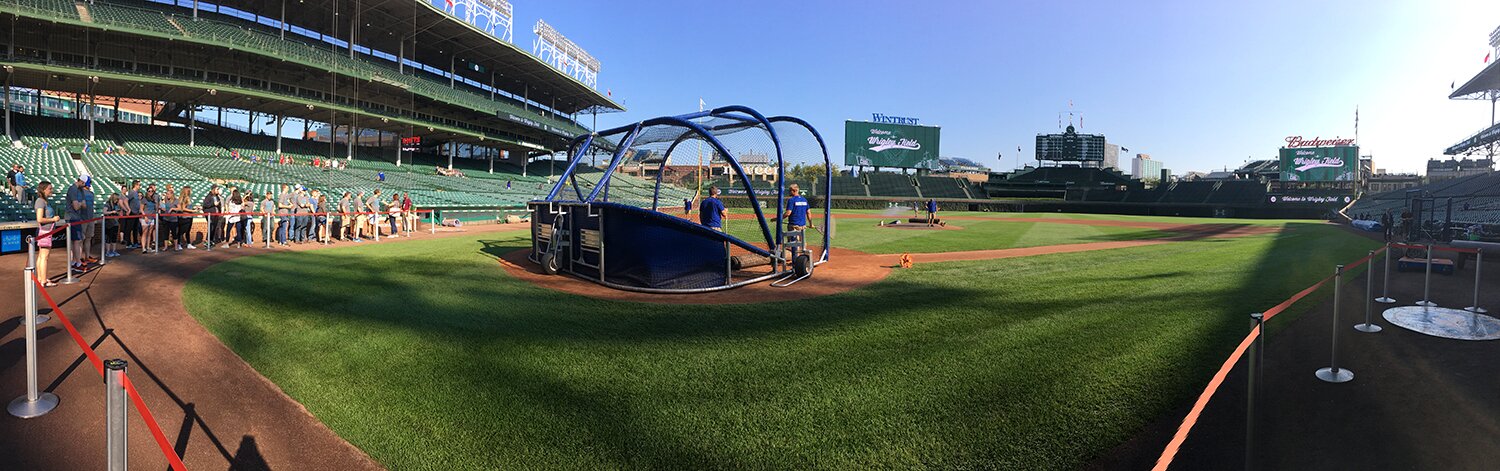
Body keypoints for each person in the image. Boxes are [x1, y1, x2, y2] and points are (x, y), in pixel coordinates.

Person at [33, 181, 60, 286]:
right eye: (50, 188)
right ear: (44, 190)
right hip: (44, 232)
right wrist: (53, 219)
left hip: (46, 231)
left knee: (41, 256)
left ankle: (41, 278)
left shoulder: (44, 201)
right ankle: (43, 280)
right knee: (44, 256)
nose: (51, 190)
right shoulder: (40, 201)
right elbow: (40, 219)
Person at [103, 193, 123, 258]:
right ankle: (108, 252)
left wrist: (119, 213)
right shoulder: (108, 204)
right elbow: (104, 212)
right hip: (109, 223)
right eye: (117, 199)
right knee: (108, 238)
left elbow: (119, 212)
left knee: (114, 238)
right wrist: (112, 212)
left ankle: (114, 250)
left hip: (115, 222)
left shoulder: (116, 204)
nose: (117, 200)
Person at [123, 180, 142, 248]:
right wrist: (128, 209)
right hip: (132, 213)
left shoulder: (136, 193)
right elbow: (125, 200)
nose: (140, 186)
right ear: (136, 185)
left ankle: (135, 242)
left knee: (135, 228)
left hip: (136, 213)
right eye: (139, 185)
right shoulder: (131, 192)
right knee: (129, 228)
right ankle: (128, 243)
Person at [141, 184, 159, 254]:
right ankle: (143, 248)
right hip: (145, 218)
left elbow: (155, 208)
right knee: (145, 233)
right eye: (149, 191)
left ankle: (148, 247)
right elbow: (141, 209)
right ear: (147, 192)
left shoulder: (153, 200)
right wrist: (145, 216)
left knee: (150, 233)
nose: (150, 192)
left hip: (152, 218)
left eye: (152, 191)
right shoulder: (144, 199)